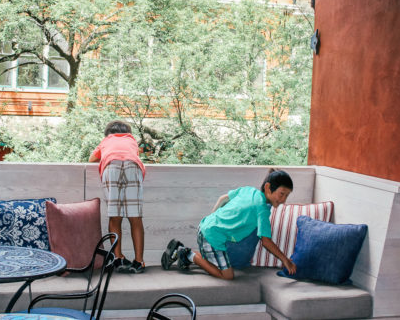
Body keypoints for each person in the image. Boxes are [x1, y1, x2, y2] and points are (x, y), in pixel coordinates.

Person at [160, 169, 297, 280]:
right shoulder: (261, 209)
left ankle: (187, 256)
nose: (283, 200)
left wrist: (211, 218)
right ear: (268, 187)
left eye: (287, 196)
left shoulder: (249, 190)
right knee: (227, 276)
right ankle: (186, 253)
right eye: (282, 194)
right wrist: (285, 260)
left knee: (219, 265)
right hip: (212, 237)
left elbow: (223, 199)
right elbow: (266, 242)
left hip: (207, 227)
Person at [89, 120, 146, 274]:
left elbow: (92, 159)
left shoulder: (107, 140)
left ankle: (118, 257)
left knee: (115, 216)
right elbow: (135, 155)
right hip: (133, 166)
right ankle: (139, 261)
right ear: (128, 132)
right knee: (136, 218)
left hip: (111, 165)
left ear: (108, 133)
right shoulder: (131, 140)